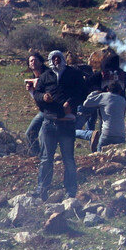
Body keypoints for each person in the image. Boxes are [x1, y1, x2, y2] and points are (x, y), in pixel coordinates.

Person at [32, 50, 88, 200]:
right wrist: (43, 97)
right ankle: (42, 189)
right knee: (46, 159)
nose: (56, 61)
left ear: (63, 59)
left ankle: (71, 191)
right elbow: (37, 94)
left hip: (67, 123)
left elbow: (83, 92)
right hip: (49, 122)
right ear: (50, 60)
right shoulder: (45, 76)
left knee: (68, 159)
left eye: (58, 58)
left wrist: (71, 103)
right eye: (53, 59)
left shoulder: (73, 74)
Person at [77, 81, 126, 152]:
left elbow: (86, 103)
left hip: (107, 133)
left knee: (100, 154)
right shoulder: (123, 100)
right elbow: (123, 115)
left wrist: (95, 93)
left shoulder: (104, 96)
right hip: (121, 135)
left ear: (107, 89)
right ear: (119, 91)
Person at [23, 51, 47, 156]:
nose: (33, 62)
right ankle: (37, 156)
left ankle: (46, 158)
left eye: (35, 60)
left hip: (52, 110)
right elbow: (37, 98)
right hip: (43, 110)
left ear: (41, 62)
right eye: (31, 61)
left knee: (43, 135)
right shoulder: (33, 78)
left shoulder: (48, 75)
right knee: (29, 133)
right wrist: (31, 91)